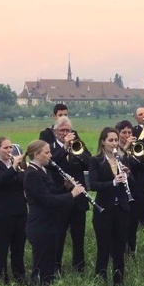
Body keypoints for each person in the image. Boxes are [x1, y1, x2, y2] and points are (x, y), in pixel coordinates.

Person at [24, 140, 82, 286]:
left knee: (48, 264)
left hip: (48, 224)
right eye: (47, 152)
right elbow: (47, 200)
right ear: (36, 155)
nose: (50, 155)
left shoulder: (42, 170)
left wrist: (65, 187)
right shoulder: (32, 174)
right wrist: (72, 195)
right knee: (41, 265)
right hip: (40, 225)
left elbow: (51, 192)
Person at [89, 127, 133, 286]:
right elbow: (93, 184)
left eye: (116, 140)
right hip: (104, 209)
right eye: (110, 140)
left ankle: (118, 281)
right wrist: (113, 182)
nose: (114, 143)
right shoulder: (96, 160)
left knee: (120, 248)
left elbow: (132, 184)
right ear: (103, 142)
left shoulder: (123, 159)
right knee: (103, 248)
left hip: (121, 209)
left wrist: (128, 175)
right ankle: (101, 281)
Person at [48, 116, 91, 274]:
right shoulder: (51, 148)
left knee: (78, 237)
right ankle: (56, 268)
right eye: (62, 130)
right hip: (60, 198)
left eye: (68, 130)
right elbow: (50, 164)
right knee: (58, 236)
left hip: (78, 199)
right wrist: (65, 147)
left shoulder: (78, 144)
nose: (65, 133)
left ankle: (79, 267)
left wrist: (78, 153)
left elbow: (90, 162)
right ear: (55, 132)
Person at [0, 137, 28, 285]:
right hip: (2, 213)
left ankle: (19, 276)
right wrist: (13, 169)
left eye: (11, 147)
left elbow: (24, 183)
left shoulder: (17, 165)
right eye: (6, 148)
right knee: (1, 247)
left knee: (19, 247)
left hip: (20, 211)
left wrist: (22, 168)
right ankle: (0, 277)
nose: (9, 150)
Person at [116, 119, 141, 254]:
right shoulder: (114, 149)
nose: (127, 135)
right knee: (121, 225)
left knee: (133, 224)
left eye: (129, 132)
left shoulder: (136, 147)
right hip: (120, 192)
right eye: (124, 132)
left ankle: (132, 251)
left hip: (135, 190)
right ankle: (121, 251)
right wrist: (125, 148)